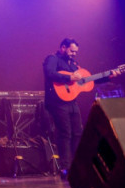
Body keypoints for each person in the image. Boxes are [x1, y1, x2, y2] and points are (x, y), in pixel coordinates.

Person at [42, 38, 118, 180]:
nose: (74, 54)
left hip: (71, 102)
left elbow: (87, 80)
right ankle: (65, 167)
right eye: (71, 51)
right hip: (57, 102)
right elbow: (49, 73)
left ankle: (77, 165)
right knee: (65, 133)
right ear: (63, 47)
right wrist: (70, 77)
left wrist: (108, 76)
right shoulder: (52, 58)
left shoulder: (73, 64)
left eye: (76, 52)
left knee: (78, 132)